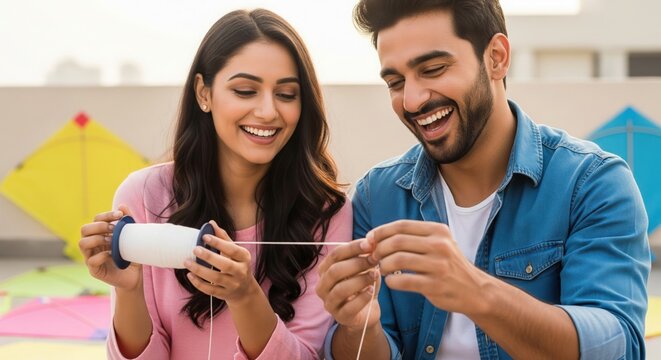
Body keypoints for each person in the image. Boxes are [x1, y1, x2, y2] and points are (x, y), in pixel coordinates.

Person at [315, 0, 651, 359]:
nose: (411, 101)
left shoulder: (591, 183)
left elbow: (619, 345)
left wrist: (476, 292)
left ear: (496, 57)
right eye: (395, 82)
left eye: (433, 69)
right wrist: (356, 327)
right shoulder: (376, 196)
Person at [79, 8, 352, 360]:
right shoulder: (144, 196)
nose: (269, 111)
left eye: (286, 94)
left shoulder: (329, 212)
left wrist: (244, 296)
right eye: (245, 90)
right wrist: (129, 291)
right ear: (203, 93)